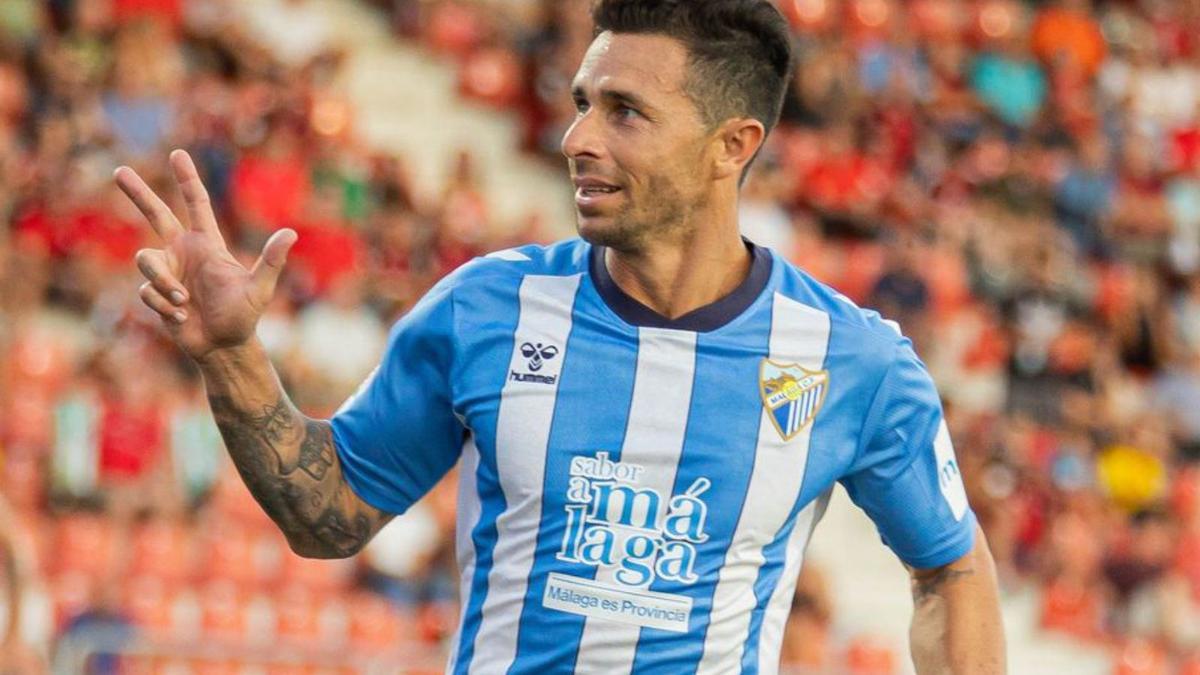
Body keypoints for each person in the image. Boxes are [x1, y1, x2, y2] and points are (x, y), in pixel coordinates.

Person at [116, 0, 1005, 672]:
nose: (577, 136)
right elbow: (325, 517)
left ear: (733, 145)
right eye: (582, 102)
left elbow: (953, 567)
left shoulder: (853, 361)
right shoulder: (484, 311)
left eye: (625, 112)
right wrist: (232, 355)